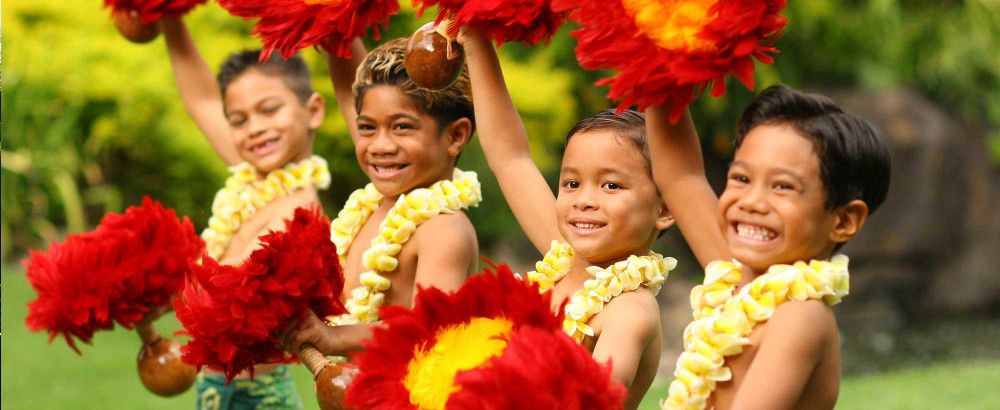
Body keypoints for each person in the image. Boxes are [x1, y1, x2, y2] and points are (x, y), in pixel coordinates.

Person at [447, 30, 678, 410]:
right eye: (571, 183)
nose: (584, 200)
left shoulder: (629, 312)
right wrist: (475, 41)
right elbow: (510, 156)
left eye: (611, 185)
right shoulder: (564, 253)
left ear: (665, 208)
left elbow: (594, 394)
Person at [648, 85, 891, 410]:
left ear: (843, 220)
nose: (752, 202)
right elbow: (680, 174)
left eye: (782, 186)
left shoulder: (799, 317)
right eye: (741, 179)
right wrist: (658, 69)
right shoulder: (733, 275)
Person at [160, 17, 331, 409]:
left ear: (314, 110)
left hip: (258, 398)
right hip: (215, 390)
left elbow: (230, 291)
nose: (254, 128)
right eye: (239, 120)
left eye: (269, 110)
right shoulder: (252, 179)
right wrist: (169, 18)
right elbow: (202, 100)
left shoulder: (300, 211)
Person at [280, 37, 481, 357]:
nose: (380, 146)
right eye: (367, 128)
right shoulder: (376, 202)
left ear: (455, 135)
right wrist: (333, 24)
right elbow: (351, 84)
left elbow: (430, 331)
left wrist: (335, 338)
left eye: (402, 127)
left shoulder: (444, 230)